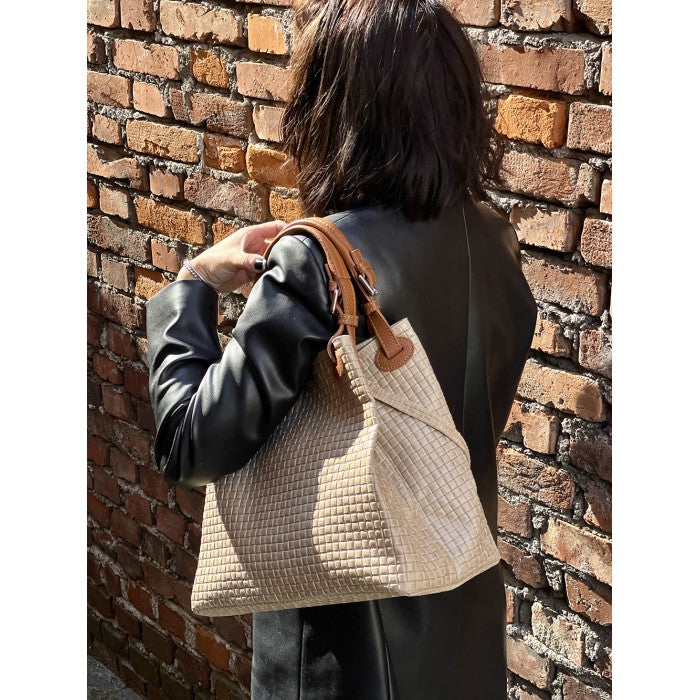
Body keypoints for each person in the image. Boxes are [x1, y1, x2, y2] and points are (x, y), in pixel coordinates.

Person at [146, 0, 538, 697]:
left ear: (335, 108)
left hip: (344, 656)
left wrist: (192, 286)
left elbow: (190, 446)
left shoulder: (316, 261)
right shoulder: (494, 239)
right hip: (462, 619)